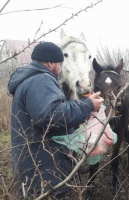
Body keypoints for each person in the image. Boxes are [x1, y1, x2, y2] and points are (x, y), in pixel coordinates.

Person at [7, 42, 103, 199]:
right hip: (45, 172)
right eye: (60, 63)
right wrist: (88, 105)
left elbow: (45, 114)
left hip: (35, 166)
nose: (60, 68)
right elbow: (52, 116)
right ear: (50, 63)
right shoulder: (40, 80)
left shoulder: (31, 80)